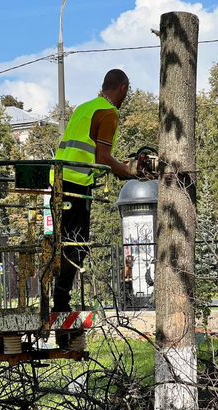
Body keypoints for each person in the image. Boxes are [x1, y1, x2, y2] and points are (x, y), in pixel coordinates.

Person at [53, 69, 131, 312]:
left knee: (59, 242)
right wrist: (129, 171)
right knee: (76, 243)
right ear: (123, 88)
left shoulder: (84, 108)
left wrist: (116, 168)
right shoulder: (109, 113)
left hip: (57, 181)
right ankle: (61, 301)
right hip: (76, 184)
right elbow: (104, 157)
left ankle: (57, 297)